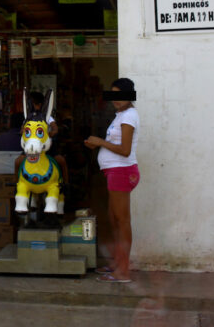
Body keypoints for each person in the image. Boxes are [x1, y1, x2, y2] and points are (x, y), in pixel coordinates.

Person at [85, 78, 140, 283]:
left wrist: (100, 142)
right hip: (115, 172)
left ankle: (123, 272)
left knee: (122, 221)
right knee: (114, 220)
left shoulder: (129, 116)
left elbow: (125, 151)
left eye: (120, 95)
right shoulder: (121, 116)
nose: (116, 100)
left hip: (122, 171)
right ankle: (117, 264)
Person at [14, 92, 69, 184]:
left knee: (61, 161)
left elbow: (55, 128)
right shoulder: (27, 118)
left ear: (40, 105)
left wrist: (51, 133)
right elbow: (22, 129)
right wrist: (22, 133)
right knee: (17, 162)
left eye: (34, 105)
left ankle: (66, 184)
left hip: (46, 147)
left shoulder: (47, 118)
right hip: (31, 147)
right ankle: (16, 183)